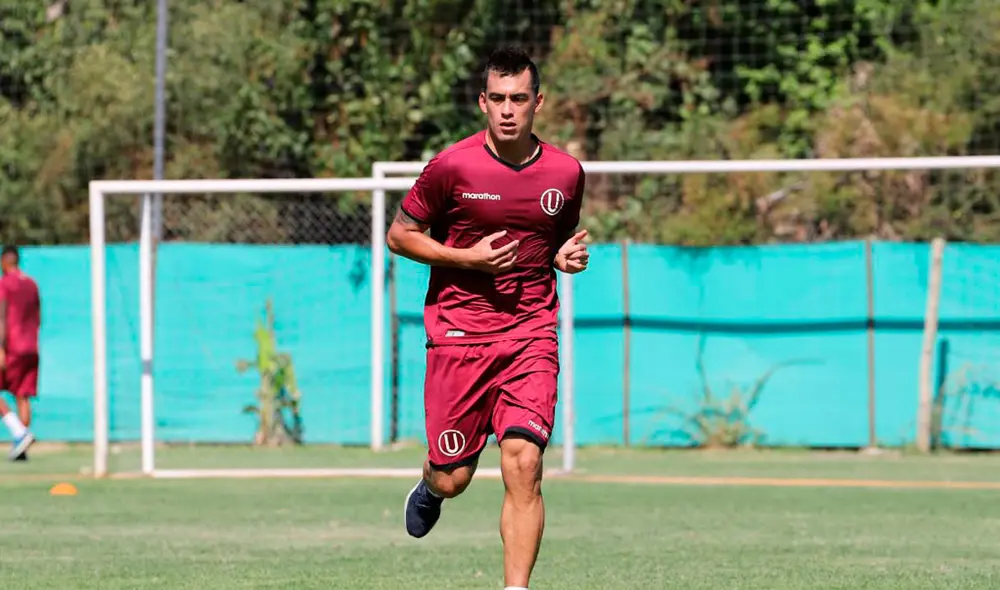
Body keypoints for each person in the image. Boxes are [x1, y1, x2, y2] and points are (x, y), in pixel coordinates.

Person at [386, 46, 590, 590]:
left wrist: (563, 256)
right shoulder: (452, 166)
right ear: (482, 102)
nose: (507, 110)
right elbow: (399, 236)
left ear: (537, 102)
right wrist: (466, 258)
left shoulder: (566, 172)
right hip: (460, 337)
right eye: (497, 98)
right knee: (454, 477)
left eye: (518, 99)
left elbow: (553, 241)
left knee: (524, 464)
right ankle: (431, 486)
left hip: (530, 334)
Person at [0, 246, 40, 461]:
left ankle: (19, 433)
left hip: (12, 346)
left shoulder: (5, 283)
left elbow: (1, 316)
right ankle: (21, 448)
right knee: (22, 394)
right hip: (31, 347)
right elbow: (38, 316)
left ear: (4, 262)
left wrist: (0, 347)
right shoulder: (32, 284)